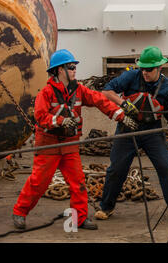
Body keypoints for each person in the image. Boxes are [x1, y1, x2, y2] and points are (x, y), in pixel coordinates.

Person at [12, 49, 136, 230]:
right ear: (59, 70)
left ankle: (79, 219)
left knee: (78, 183)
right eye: (71, 67)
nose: (74, 70)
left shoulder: (78, 90)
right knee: (39, 182)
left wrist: (120, 115)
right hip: (49, 145)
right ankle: (20, 212)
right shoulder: (46, 93)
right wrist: (61, 121)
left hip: (70, 145)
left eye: (75, 67)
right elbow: (40, 116)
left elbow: (100, 100)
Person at [95, 46, 168, 223]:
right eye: (142, 68)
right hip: (128, 128)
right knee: (116, 168)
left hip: (152, 132)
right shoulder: (131, 76)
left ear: (159, 68)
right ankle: (107, 207)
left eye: (149, 69)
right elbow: (106, 91)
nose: (145, 72)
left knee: (166, 167)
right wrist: (123, 103)